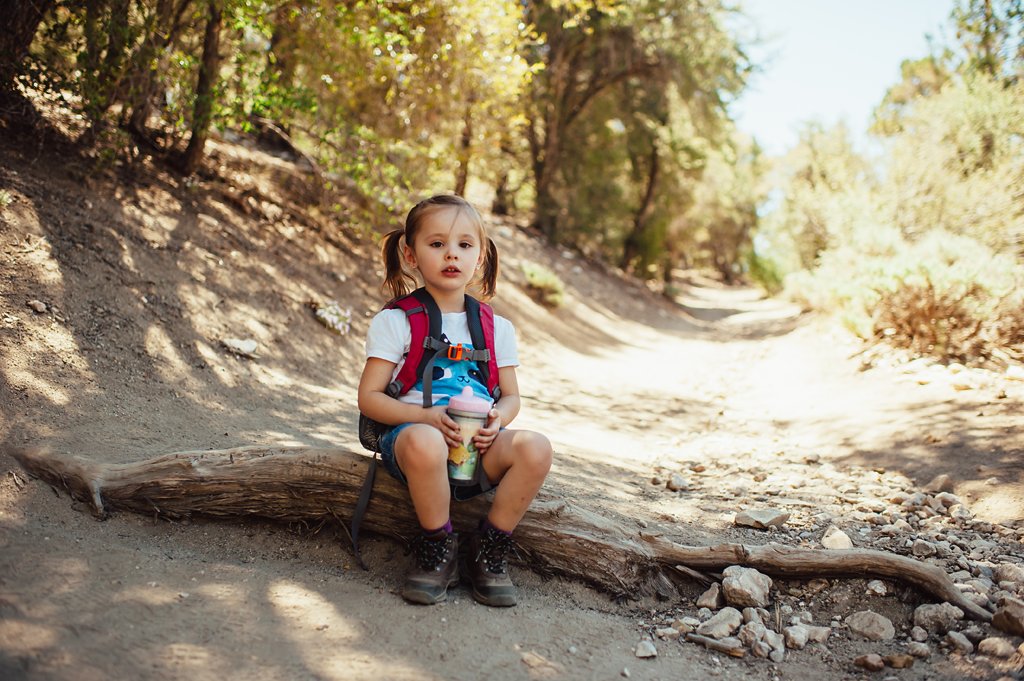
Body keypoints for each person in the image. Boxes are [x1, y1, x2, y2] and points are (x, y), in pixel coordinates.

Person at [357, 194, 553, 607]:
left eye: (465, 245)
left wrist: (499, 418)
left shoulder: (496, 328)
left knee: (536, 448)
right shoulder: (396, 320)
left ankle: (488, 549)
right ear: (410, 255)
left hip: (475, 449)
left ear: (480, 257)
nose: (452, 254)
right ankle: (438, 547)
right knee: (425, 441)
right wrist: (425, 417)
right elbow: (369, 398)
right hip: (415, 446)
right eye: (437, 244)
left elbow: (512, 396)